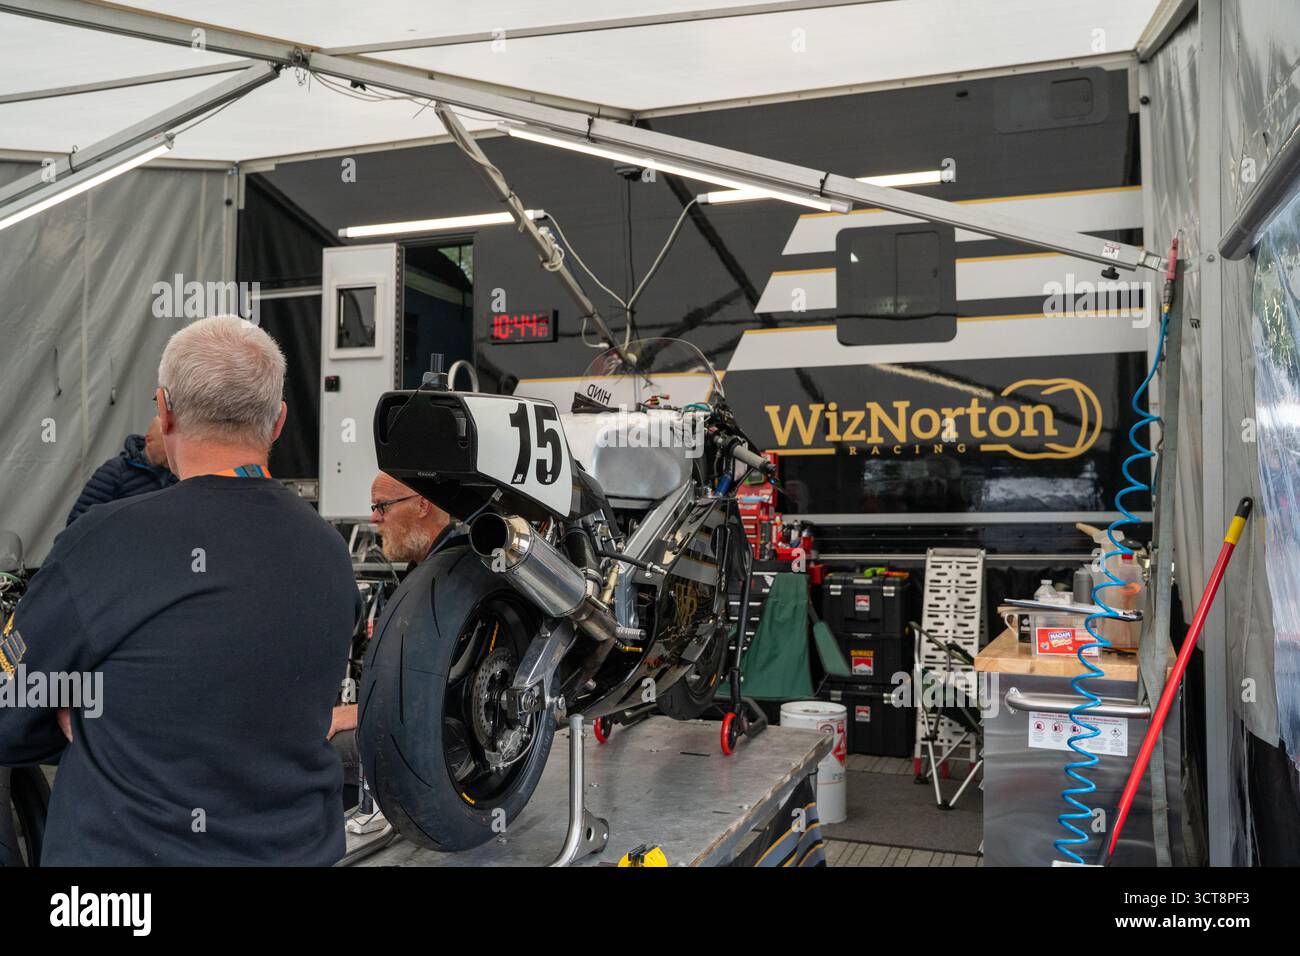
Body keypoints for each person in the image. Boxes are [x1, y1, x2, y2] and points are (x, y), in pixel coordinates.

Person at [0, 315, 358, 865]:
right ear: (279, 421)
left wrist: (94, 711)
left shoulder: (106, 540)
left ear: (163, 409)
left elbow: (10, 713)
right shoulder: (330, 551)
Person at [328, 473, 454, 811]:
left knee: (323, 747)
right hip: (413, 722)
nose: (374, 517)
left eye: (382, 506)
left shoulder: (453, 579)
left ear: (423, 504)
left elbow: (448, 692)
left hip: (438, 740)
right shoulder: (425, 569)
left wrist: (356, 713)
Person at [66, 415, 176, 524]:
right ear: (149, 441)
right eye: (166, 447)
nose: (172, 453)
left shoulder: (177, 474)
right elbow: (77, 524)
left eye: (175, 446)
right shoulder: (115, 471)